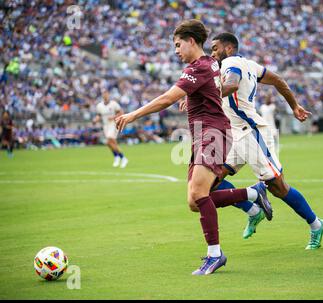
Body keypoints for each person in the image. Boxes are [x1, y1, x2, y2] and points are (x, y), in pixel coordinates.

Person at [115, 20, 272, 275]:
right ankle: (253, 194)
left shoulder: (198, 66)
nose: (176, 50)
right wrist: (193, 97)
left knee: (200, 193)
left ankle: (215, 254)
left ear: (191, 41)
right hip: (204, 134)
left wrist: (133, 115)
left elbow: (167, 98)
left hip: (213, 133)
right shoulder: (210, 63)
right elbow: (211, 88)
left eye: (178, 45)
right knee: (194, 201)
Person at [210, 32, 323, 249]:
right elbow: (278, 80)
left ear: (228, 48)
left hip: (251, 134)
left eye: (215, 47)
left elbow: (233, 84)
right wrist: (294, 105)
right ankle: (253, 209)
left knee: (278, 187)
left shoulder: (230, 62)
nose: (212, 52)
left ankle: (316, 224)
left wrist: (204, 94)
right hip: (235, 136)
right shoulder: (251, 65)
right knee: (210, 183)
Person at [93, 90, 128, 168]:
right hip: (106, 126)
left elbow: (121, 112)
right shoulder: (99, 106)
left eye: (106, 94)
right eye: (104, 94)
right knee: (110, 143)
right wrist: (95, 120)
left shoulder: (114, 104)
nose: (105, 95)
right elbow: (99, 115)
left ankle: (122, 158)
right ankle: (117, 156)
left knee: (109, 140)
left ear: (108, 95)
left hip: (113, 124)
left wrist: (113, 117)